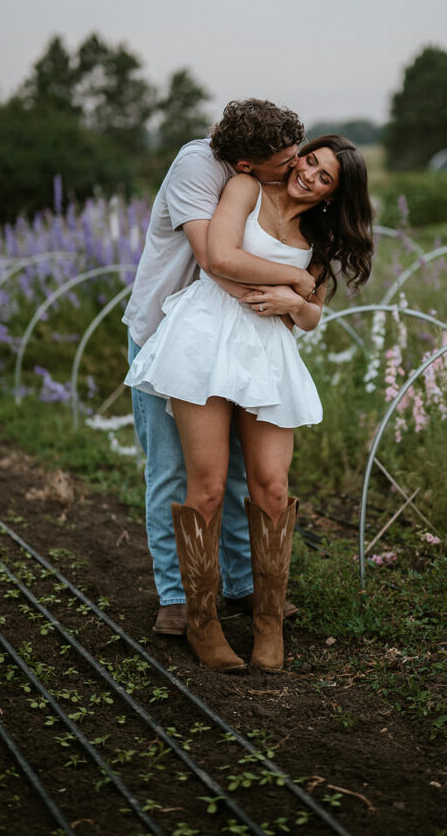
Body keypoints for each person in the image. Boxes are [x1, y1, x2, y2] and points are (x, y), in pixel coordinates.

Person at [125, 136, 374, 671]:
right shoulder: (245, 187)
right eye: (310, 159)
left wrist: (296, 302)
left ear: (335, 193)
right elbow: (222, 256)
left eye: (325, 175)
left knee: (271, 484)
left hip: (267, 350)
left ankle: (267, 623)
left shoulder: (320, 234)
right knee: (208, 485)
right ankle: (202, 622)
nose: (308, 173)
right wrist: (292, 278)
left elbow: (310, 318)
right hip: (206, 335)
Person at [123, 99, 310, 638]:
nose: (296, 167)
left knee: (233, 473)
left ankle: (241, 584)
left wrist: (302, 293)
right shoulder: (196, 169)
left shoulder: (266, 178)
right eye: (286, 160)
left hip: (231, 339)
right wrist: (294, 286)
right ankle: (178, 597)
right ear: (247, 165)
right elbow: (216, 261)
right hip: (166, 335)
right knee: (173, 470)